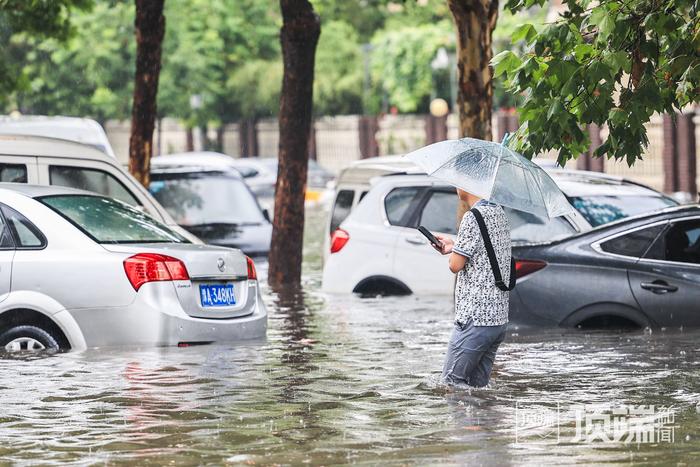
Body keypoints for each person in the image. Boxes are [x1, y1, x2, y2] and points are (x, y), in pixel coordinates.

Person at [433, 189, 511, 388]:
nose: (456, 187)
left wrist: (453, 254)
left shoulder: (472, 217)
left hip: (475, 319)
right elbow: (484, 251)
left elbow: (455, 266)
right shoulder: (498, 212)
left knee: (450, 383)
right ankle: (483, 420)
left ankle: (462, 420)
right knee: (478, 388)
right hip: (497, 319)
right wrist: (456, 246)